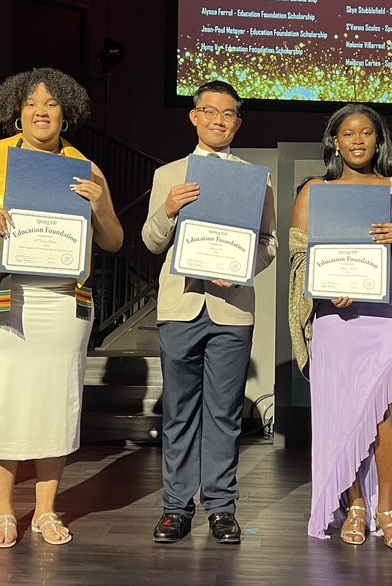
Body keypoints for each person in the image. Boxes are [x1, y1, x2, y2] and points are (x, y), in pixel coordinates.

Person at [0, 68, 123, 548]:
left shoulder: (84, 167)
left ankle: (44, 510)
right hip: (2, 291)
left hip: (62, 299)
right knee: (2, 396)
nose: (41, 112)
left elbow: (114, 239)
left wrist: (100, 206)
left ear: (67, 110)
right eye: (31, 103)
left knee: (55, 399)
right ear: (14, 110)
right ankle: (3, 513)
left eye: (51, 103)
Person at [287, 104, 392, 550]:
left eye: (367, 133)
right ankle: (354, 503)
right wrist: (324, 287)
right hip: (337, 318)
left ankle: (387, 508)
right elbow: (300, 253)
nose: (358, 140)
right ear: (334, 142)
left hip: (389, 314)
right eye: (348, 133)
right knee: (344, 408)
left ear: (379, 141)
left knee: (391, 406)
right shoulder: (315, 190)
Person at [142, 80, 277, 545]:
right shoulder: (169, 174)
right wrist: (168, 209)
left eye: (230, 114)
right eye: (211, 111)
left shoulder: (255, 176)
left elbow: (269, 243)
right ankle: (176, 508)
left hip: (231, 309)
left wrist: (242, 269)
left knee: (224, 413)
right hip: (180, 306)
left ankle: (221, 507)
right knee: (179, 412)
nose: (220, 120)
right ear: (194, 116)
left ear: (238, 122)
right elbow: (151, 241)